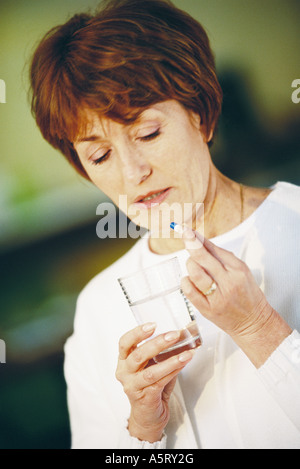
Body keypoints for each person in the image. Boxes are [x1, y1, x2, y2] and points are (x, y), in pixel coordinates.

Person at [29, 0, 300, 449]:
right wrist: (143, 429)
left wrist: (260, 331)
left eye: (148, 133)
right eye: (100, 155)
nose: (133, 172)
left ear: (201, 113)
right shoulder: (98, 309)